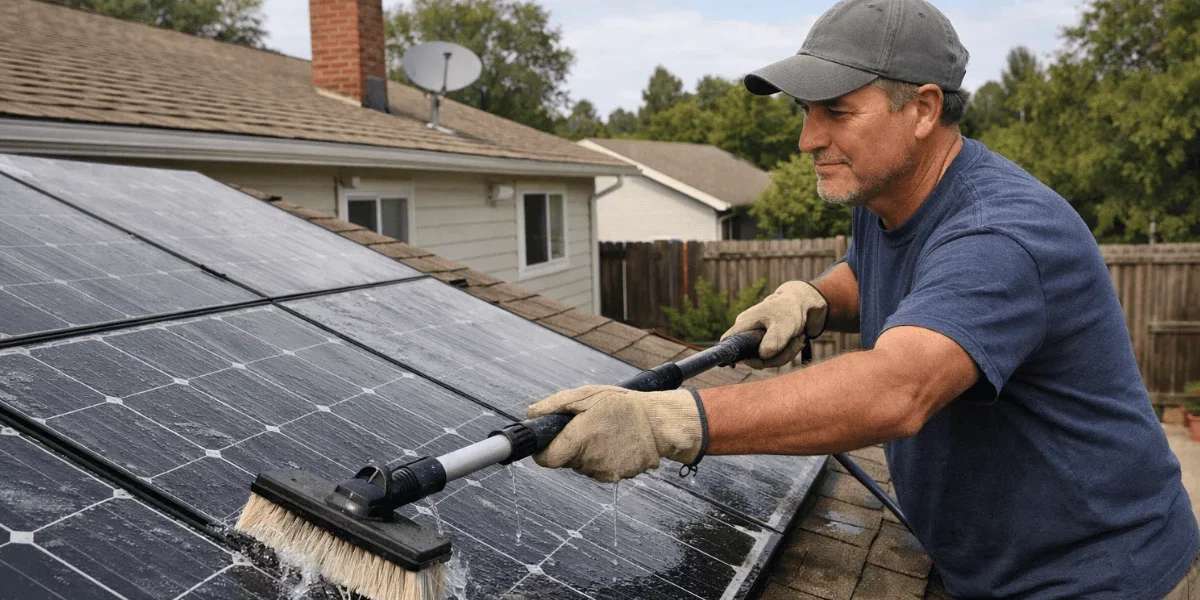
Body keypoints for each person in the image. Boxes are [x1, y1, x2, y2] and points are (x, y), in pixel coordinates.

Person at [525, 0, 1200, 597]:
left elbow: (896, 390)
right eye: (806, 111)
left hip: (1100, 577)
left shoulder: (1003, 234)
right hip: (991, 567)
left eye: (838, 111)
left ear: (924, 109)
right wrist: (812, 298)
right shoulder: (889, 199)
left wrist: (669, 422)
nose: (807, 138)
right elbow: (881, 270)